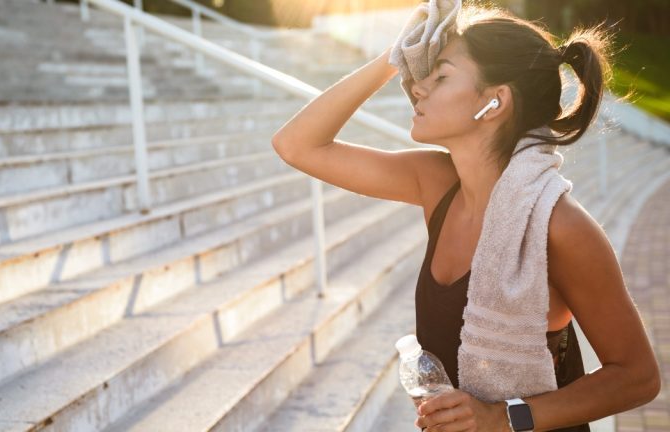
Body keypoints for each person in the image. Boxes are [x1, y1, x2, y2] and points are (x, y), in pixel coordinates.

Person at [271, 4, 660, 432]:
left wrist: (502, 416)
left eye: (440, 76)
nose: (417, 87)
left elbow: (637, 377)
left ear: (494, 102)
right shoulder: (435, 181)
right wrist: (393, 57)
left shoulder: (559, 226)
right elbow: (297, 145)